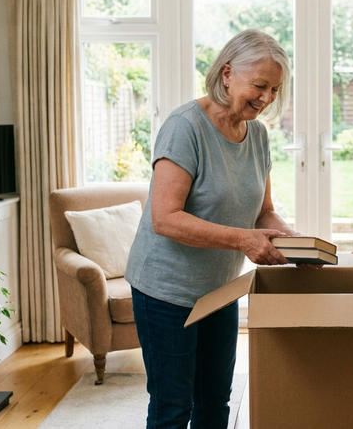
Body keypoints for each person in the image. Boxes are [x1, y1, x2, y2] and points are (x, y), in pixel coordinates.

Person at [126, 29, 300, 429]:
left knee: (214, 404)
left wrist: (293, 243)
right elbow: (165, 217)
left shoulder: (257, 135)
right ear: (227, 74)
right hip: (165, 291)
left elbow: (264, 212)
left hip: (219, 291)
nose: (267, 98)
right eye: (259, 85)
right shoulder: (185, 127)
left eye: (275, 89)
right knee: (173, 409)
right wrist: (242, 240)